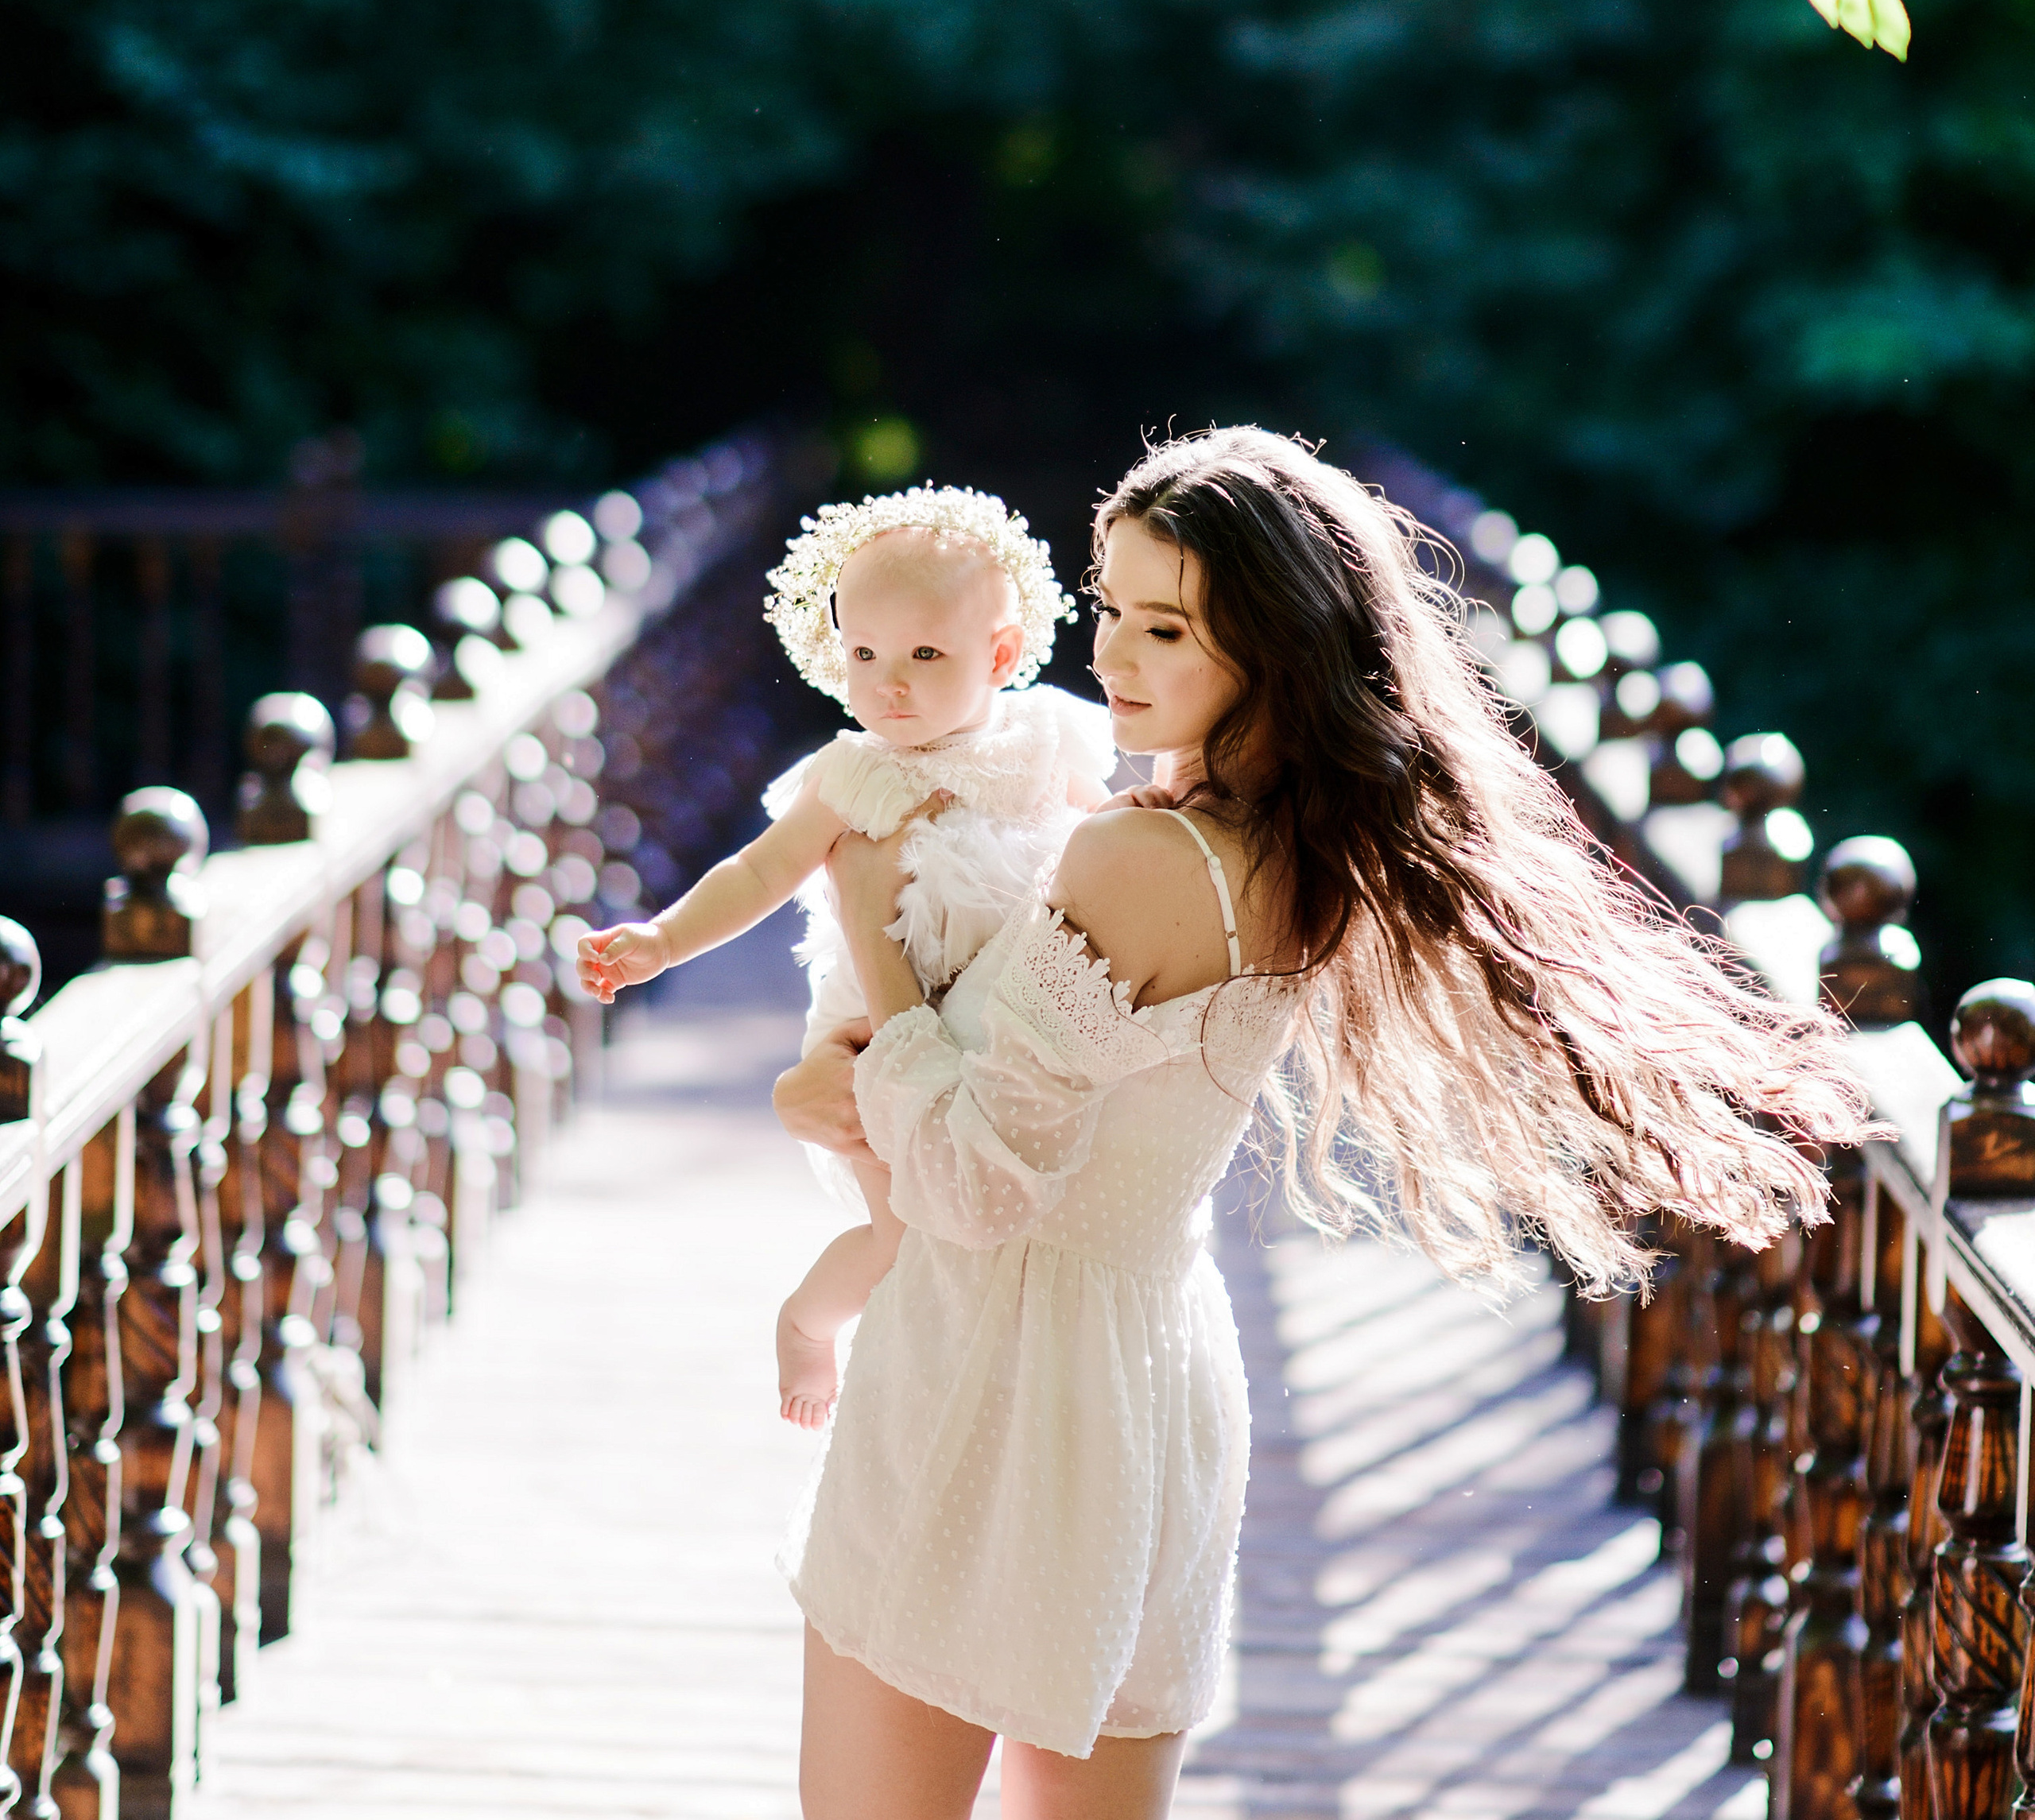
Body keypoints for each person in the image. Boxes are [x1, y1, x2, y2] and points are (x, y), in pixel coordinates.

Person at [771, 424, 1870, 1820]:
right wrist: (871, 1088)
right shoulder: (1283, 849)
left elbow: (978, 1187)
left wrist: (868, 945)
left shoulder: (1138, 853)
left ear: (1272, 645)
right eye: (1109, 607)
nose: (1110, 656)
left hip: (989, 1374)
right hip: (1146, 1375)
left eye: (1165, 627)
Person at [578, 485, 1114, 1423]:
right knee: (907, 1226)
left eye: (923, 655)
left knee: (1006, 1213)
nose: (887, 684)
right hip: (877, 1028)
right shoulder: (855, 771)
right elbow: (756, 873)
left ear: (1001, 654)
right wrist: (662, 940)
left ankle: (992, 1401)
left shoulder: (1043, 739)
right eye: (862, 654)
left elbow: (1103, 838)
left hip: (1005, 1019)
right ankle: (810, 1324)